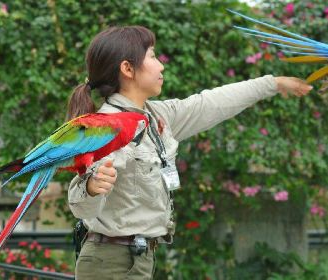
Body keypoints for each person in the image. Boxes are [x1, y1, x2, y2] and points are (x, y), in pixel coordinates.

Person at [67, 25, 312, 280]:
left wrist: (272, 84)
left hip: (138, 258)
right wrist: (93, 187)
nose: (161, 65)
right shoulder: (107, 127)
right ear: (127, 69)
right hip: (111, 263)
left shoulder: (157, 116)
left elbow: (211, 103)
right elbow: (79, 203)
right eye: (152, 56)